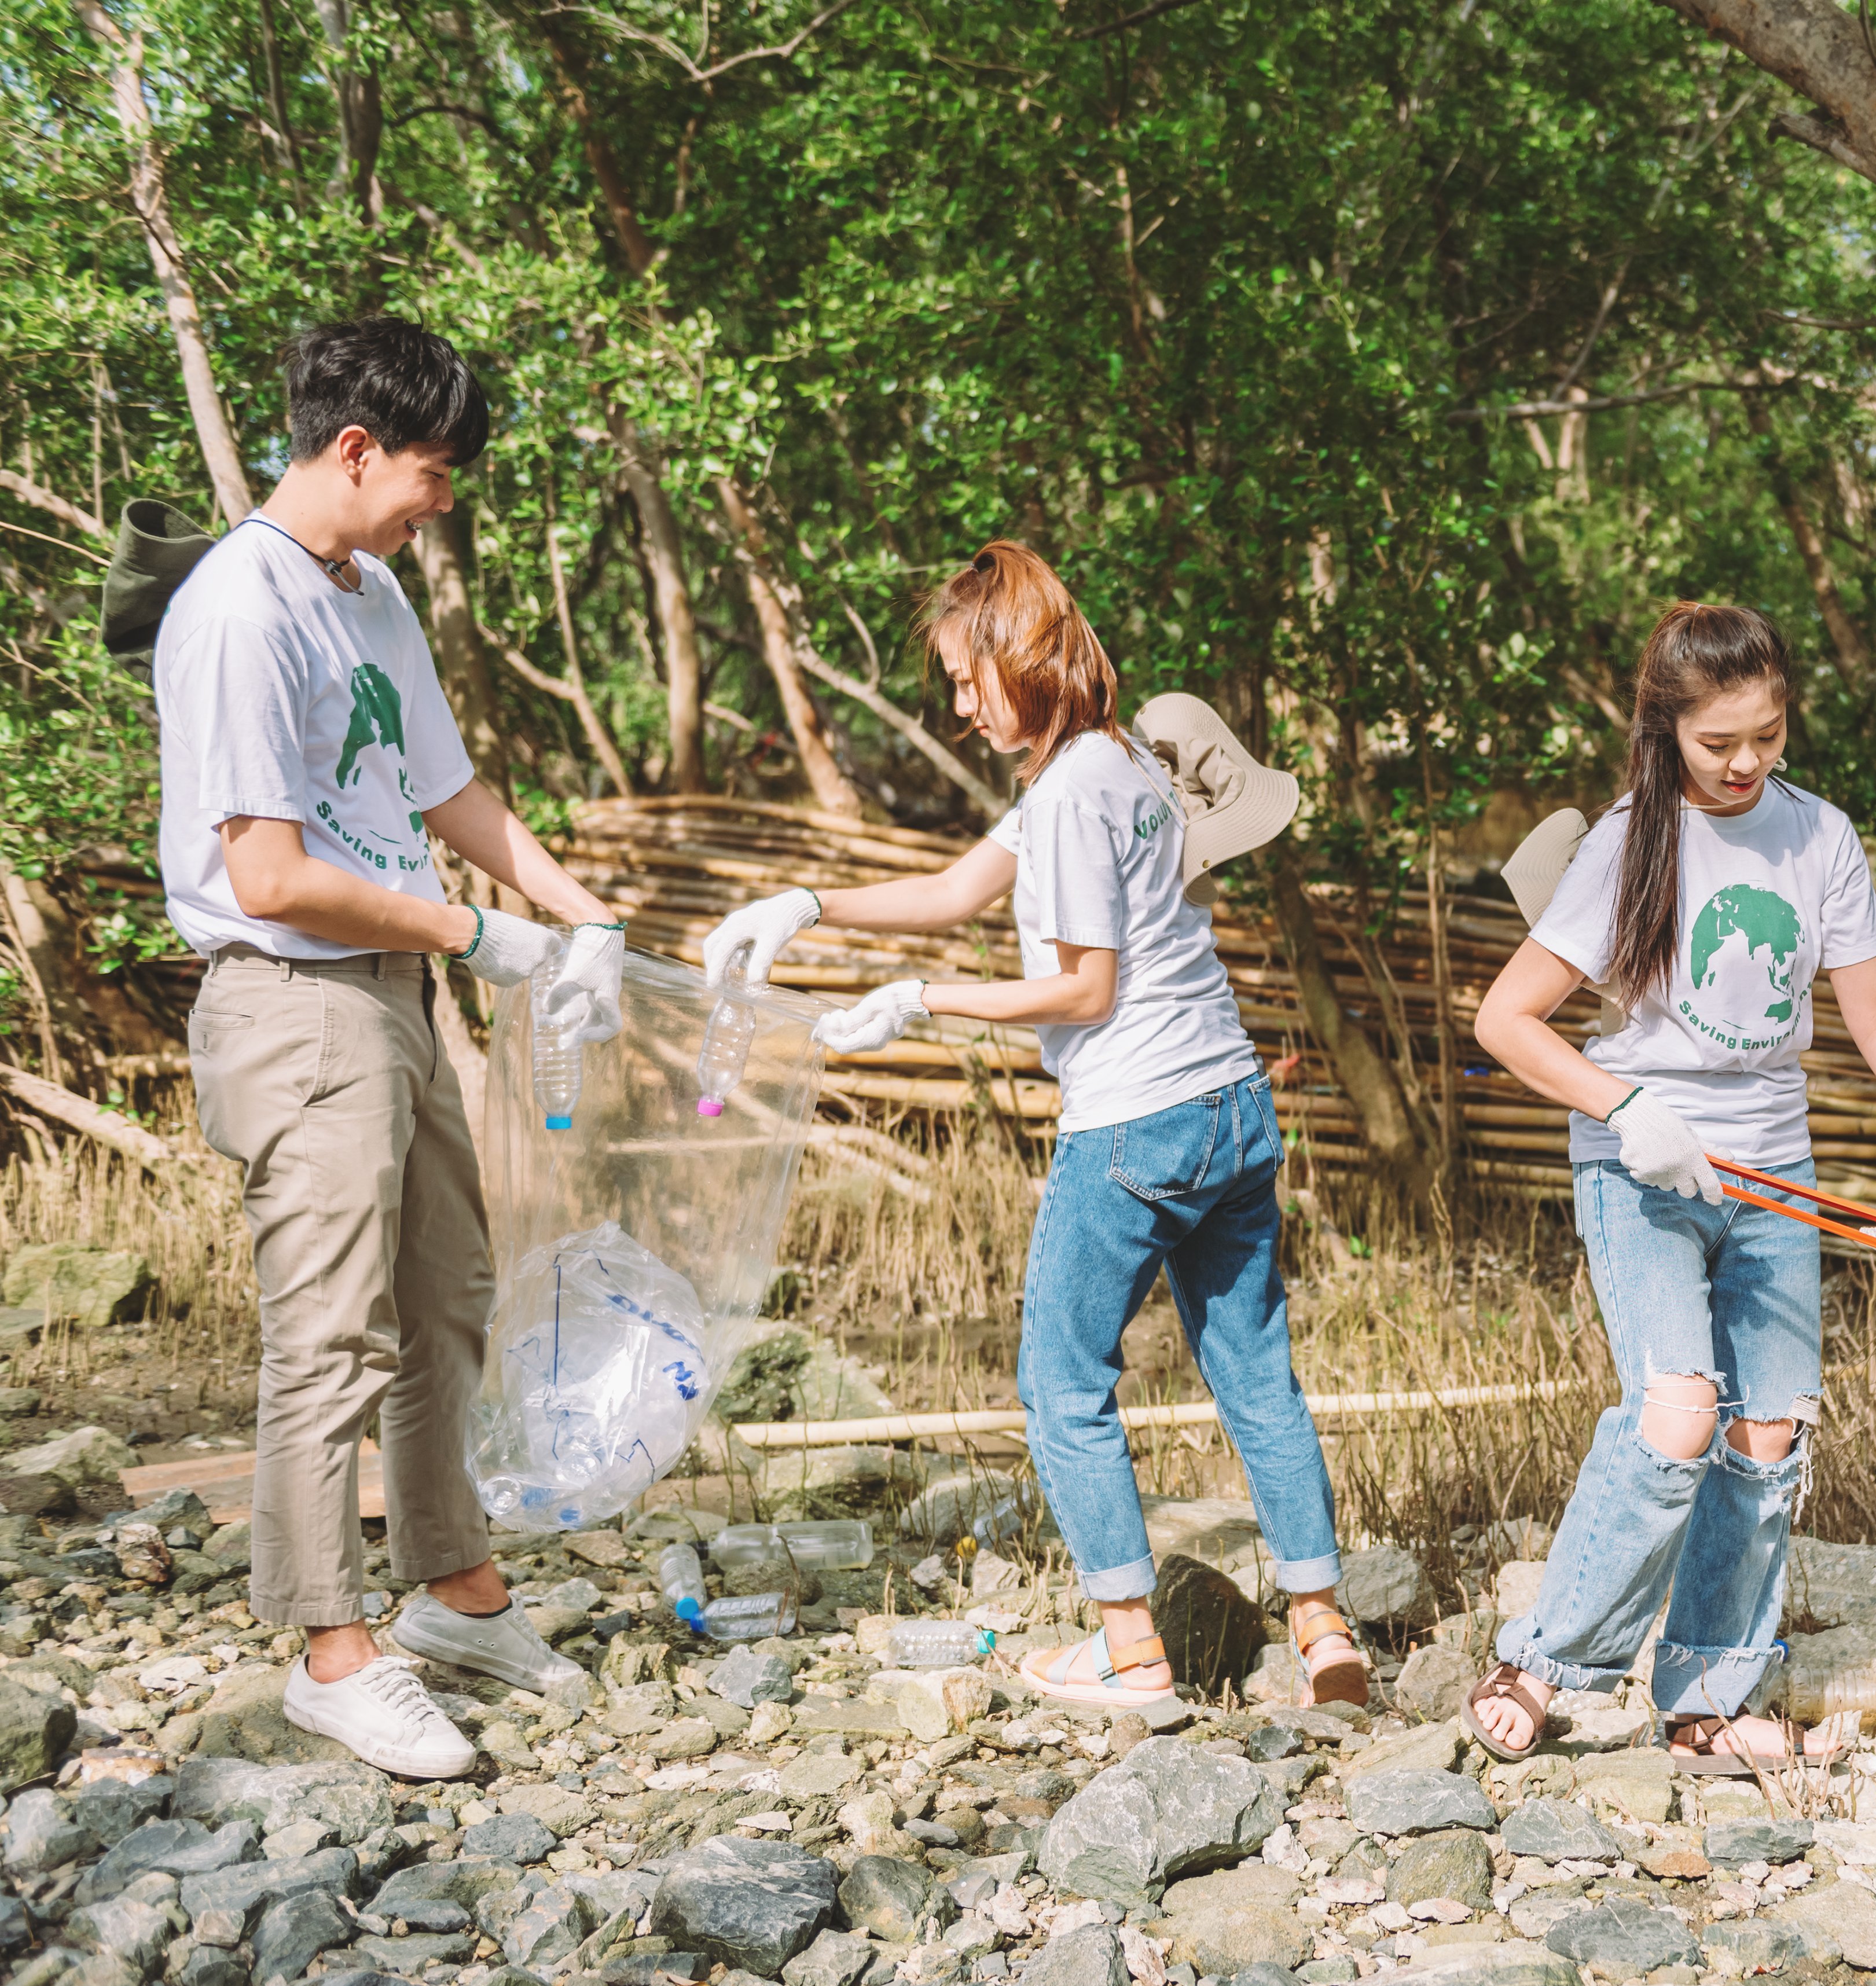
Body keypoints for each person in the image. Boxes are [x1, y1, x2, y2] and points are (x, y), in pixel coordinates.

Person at [700, 542, 1364, 1709]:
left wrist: (924, 999)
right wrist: (805, 905)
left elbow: (1084, 991)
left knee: (1061, 1387)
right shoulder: (1120, 763)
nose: (960, 707)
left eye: (968, 680)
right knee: (1257, 1373)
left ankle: (1128, 1649)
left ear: (1022, 658)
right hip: (1231, 1101)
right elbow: (951, 891)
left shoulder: (1065, 798)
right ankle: (1324, 1629)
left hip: (1136, 1122)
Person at [159, 316, 618, 1777]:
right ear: (355, 451)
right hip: (295, 1002)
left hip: (397, 997)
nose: (442, 503)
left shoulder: (369, 594)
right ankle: (331, 1654)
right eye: (433, 473)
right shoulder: (241, 609)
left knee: (447, 1299)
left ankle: (455, 1592)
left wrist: (578, 915)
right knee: (333, 1332)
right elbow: (268, 876)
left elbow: (444, 790)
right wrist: (479, 937)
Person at [1463, 601, 1876, 1770]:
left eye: (1766, 737)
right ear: (1665, 728)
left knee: (1766, 1433)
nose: (1743, 764)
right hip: (1644, 1169)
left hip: (1774, 1172)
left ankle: (1708, 1699)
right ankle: (1541, 1662)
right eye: (1717, 742)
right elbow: (1504, 1021)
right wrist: (1626, 1107)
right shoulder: (1626, 844)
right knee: (1677, 1414)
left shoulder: (1817, 835)